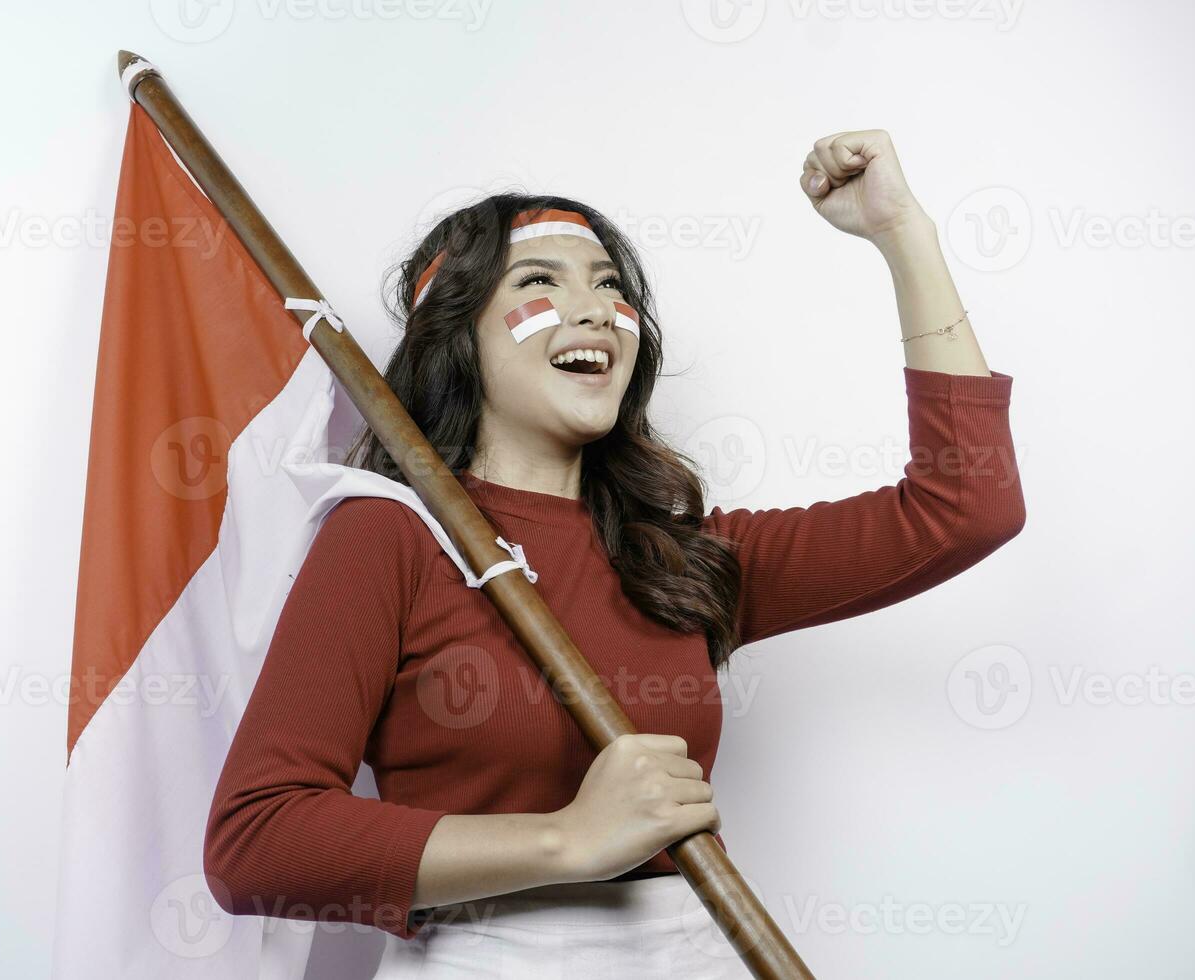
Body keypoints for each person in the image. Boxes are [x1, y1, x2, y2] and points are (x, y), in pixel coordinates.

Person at [203, 130, 1026, 978]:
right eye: (539, 283)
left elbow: (967, 507)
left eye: (608, 286)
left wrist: (903, 234)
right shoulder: (388, 536)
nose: (596, 309)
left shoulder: (686, 561)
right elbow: (255, 839)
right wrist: (566, 840)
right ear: (457, 335)